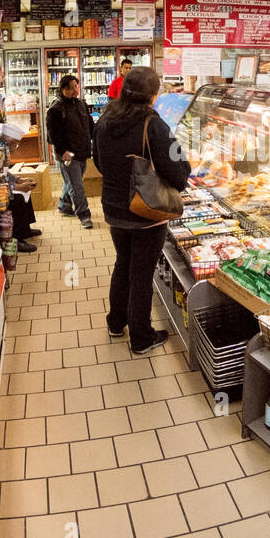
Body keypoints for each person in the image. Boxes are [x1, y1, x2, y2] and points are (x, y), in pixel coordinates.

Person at [93, 65, 190, 354]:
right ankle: (141, 337)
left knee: (123, 264)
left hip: (113, 208)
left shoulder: (105, 119)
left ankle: (115, 322)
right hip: (146, 211)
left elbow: (98, 161)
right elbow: (179, 170)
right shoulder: (154, 125)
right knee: (141, 273)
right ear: (153, 95)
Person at [46, 75, 94, 229]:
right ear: (62, 90)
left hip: (82, 150)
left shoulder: (81, 104)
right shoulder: (56, 109)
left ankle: (64, 205)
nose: (74, 90)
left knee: (74, 181)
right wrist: (62, 151)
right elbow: (54, 134)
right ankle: (84, 215)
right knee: (77, 185)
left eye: (75, 86)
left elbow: (89, 125)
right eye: (71, 87)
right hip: (68, 154)